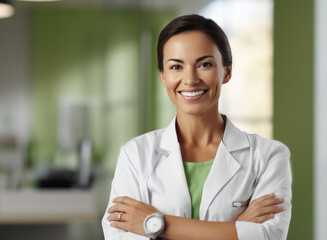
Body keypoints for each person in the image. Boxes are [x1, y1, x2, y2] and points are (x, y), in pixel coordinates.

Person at [102, 14, 292, 240]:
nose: (190, 79)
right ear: (163, 76)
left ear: (227, 71)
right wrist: (237, 229)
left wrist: (154, 223)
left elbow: (268, 236)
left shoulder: (269, 156)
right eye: (176, 67)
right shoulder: (135, 155)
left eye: (204, 64)